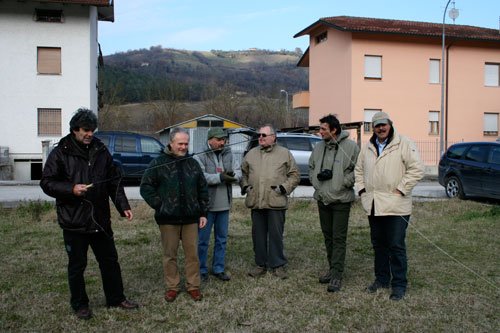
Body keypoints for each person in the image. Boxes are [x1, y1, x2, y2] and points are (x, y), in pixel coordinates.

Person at [40, 108, 138, 320]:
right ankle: (80, 304)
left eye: (92, 130)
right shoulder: (60, 152)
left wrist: (123, 206)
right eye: (85, 130)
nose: (89, 134)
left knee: (110, 261)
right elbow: (47, 182)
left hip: (100, 220)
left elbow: (114, 180)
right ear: (74, 129)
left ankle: (116, 298)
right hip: (74, 221)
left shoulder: (101, 150)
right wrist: (71, 189)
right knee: (77, 266)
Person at [354, 111, 424, 301]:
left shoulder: (404, 143)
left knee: (396, 245)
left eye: (384, 124)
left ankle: (399, 284)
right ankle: (382, 279)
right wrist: (361, 190)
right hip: (374, 205)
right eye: (377, 125)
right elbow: (358, 170)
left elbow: (417, 169)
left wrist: (401, 189)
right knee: (378, 245)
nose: (381, 128)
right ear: (373, 128)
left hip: (396, 205)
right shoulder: (367, 147)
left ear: (390, 125)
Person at [140, 127, 209, 302]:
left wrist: (202, 212)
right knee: (170, 255)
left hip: (191, 219)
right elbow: (146, 186)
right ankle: (172, 286)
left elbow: (202, 188)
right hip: (167, 219)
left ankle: (193, 286)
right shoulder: (158, 163)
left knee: (192, 254)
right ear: (171, 143)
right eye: (180, 143)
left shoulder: (192, 164)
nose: (183, 147)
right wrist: (159, 204)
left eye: (186, 143)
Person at [241, 124, 300, 279]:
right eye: (259, 135)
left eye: (264, 135)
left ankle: (277, 265)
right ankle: (260, 264)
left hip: (276, 200)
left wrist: (283, 188)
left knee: (276, 235)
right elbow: (243, 173)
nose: (260, 137)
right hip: (256, 201)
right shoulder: (251, 154)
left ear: (273, 137)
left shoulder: (284, 153)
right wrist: (246, 187)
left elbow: (294, 175)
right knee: (258, 235)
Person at [309, 114, 360, 293]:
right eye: (320, 128)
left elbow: (359, 170)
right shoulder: (318, 147)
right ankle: (332, 270)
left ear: (334, 130)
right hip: (323, 198)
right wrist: (316, 181)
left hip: (341, 200)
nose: (319, 132)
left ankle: (337, 275)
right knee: (328, 236)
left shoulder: (351, 147)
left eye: (323, 129)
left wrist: (343, 182)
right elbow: (311, 167)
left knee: (338, 238)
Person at [194, 128, 241, 282]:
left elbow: (238, 171)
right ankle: (201, 270)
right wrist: (220, 177)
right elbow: (201, 177)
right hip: (206, 207)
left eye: (224, 140)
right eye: (219, 140)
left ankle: (218, 268)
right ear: (210, 139)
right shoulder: (199, 155)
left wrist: (234, 176)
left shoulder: (228, 152)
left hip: (224, 205)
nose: (223, 143)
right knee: (202, 241)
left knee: (222, 239)